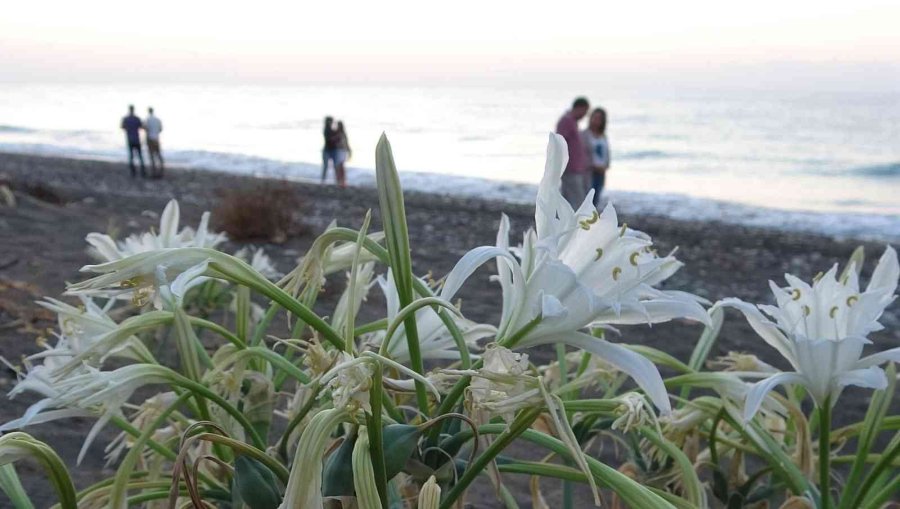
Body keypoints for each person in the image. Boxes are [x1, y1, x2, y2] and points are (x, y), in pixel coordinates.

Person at [555, 97, 590, 207]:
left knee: (570, 200)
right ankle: (576, 224)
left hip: (574, 169)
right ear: (579, 108)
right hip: (570, 169)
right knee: (577, 202)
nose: (585, 115)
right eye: (585, 111)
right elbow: (560, 143)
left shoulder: (572, 122)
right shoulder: (567, 121)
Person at [581, 107, 610, 207]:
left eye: (600, 118)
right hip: (589, 172)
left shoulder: (603, 136)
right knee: (587, 199)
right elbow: (581, 154)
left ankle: (591, 221)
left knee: (596, 198)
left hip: (601, 172)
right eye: (595, 117)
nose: (597, 120)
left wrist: (606, 166)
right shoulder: (584, 135)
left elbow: (606, 153)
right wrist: (592, 165)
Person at [120, 105, 146, 177]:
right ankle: (143, 171)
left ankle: (133, 172)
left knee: (131, 156)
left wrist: (128, 128)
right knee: (140, 156)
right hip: (136, 139)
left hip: (130, 139)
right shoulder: (137, 118)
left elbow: (122, 127)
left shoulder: (126, 119)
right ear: (133, 110)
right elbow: (142, 127)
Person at [144, 107, 164, 178]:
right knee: (158, 155)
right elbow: (160, 129)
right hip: (156, 138)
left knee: (152, 156)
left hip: (150, 138)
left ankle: (154, 172)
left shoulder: (148, 119)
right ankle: (161, 169)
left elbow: (145, 128)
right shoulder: (157, 119)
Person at [333, 121, 351, 188]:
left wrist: (349, 151)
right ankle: (340, 181)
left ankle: (342, 182)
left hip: (342, 151)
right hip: (339, 150)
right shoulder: (337, 133)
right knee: (339, 167)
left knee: (341, 167)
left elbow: (346, 143)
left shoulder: (342, 134)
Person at [321, 116, 339, 183]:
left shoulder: (331, 130)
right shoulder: (327, 130)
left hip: (331, 150)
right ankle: (323, 181)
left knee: (334, 166)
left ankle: (336, 181)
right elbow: (331, 139)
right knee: (327, 166)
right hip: (328, 150)